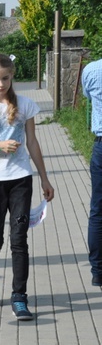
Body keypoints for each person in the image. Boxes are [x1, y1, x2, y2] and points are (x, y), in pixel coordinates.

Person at [0, 53, 55, 320]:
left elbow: (32, 142)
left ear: (12, 75)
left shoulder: (26, 105)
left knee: (19, 241)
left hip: (20, 178)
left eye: (5, 78)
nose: (0, 84)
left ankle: (20, 297)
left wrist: (44, 177)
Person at [83, 59, 102, 288]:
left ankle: (98, 270)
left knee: (98, 209)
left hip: (101, 144)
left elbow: (88, 96)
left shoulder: (91, 69)